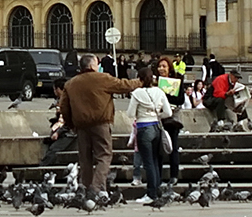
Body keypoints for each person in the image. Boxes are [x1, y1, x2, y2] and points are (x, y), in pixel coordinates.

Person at [58, 54, 140, 193]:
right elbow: (123, 85)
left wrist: (72, 124)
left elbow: (64, 107)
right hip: (100, 123)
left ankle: (85, 187)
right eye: (97, 64)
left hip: (81, 126)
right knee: (104, 155)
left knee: (85, 159)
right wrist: (141, 81)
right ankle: (96, 188)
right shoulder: (102, 78)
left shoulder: (71, 83)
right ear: (91, 66)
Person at [128, 66, 174, 204]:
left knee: (147, 163)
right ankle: (156, 189)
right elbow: (168, 113)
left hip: (143, 127)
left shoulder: (137, 93)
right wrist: (157, 114)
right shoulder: (159, 92)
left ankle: (151, 193)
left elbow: (130, 113)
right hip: (156, 127)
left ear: (140, 79)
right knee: (154, 161)